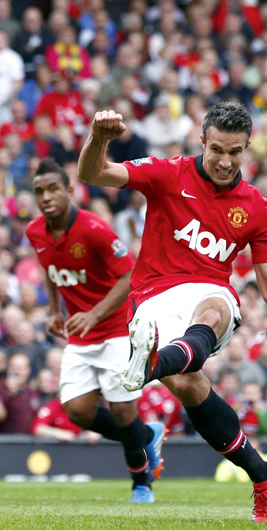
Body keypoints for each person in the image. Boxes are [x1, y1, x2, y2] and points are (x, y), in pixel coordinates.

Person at [77, 102, 267, 523]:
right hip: (152, 296)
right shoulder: (167, 173)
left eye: (236, 152)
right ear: (202, 142)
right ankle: (264, 476)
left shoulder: (258, 209)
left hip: (211, 291)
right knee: (190, 386)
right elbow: (92, 174)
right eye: (218, 150)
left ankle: (150, 362)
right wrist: (99, 137)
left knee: (211, 309)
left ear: (247, 149)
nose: (226, 161)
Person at [26, 158, 166, 502]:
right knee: (77, 410)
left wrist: (93, 313)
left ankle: (141, 484)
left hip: (117, 328)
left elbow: (128, 275)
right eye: (39, 191)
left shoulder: (94, 228)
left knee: (121, 410)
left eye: (53, 189)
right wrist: (54, 311)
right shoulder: (35, 231)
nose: (46, 197)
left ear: (70, 191)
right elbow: (50, 268)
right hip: (80, 333)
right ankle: (147, 434)